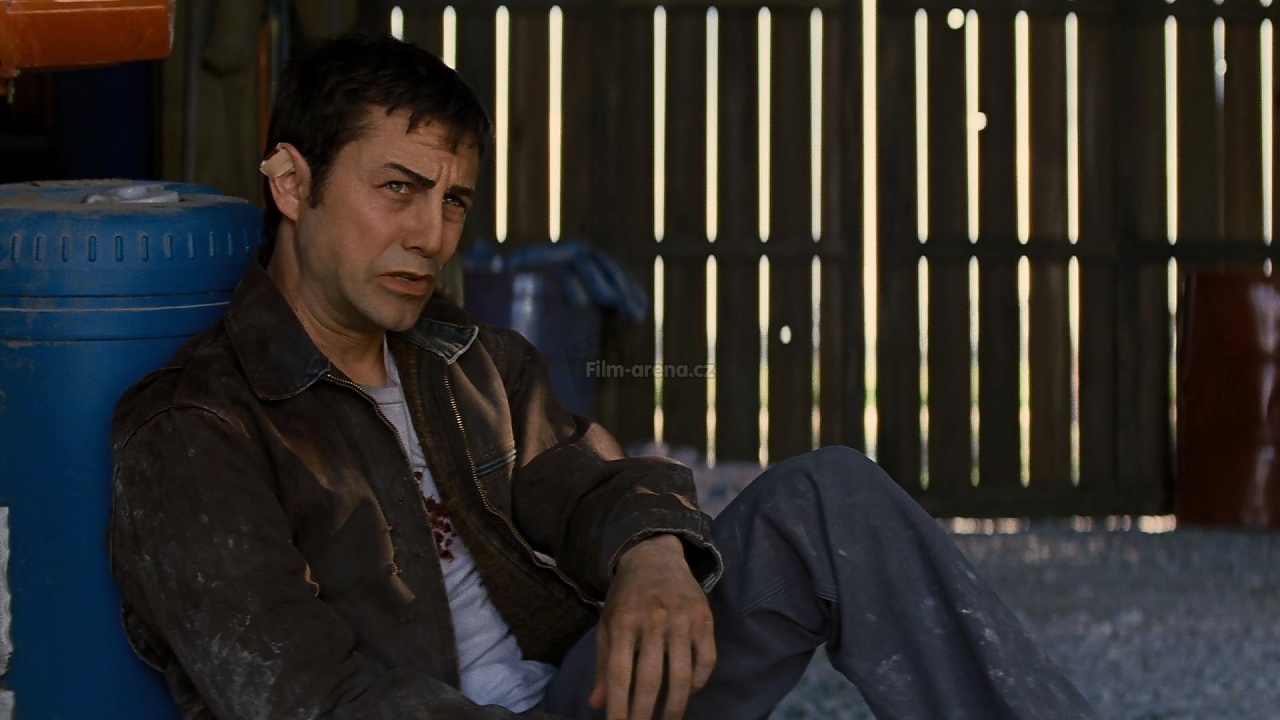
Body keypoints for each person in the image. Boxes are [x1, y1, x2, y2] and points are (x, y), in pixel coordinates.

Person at [108, 33, 1098, 720]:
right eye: (398, 189)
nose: (431, 235)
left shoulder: (467, 359)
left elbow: (590, 481)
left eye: (453, 202)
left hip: (594, 697)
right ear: (292, 184)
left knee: (826, 497)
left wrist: (654, 557)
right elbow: (302, 699)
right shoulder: (195, 429)